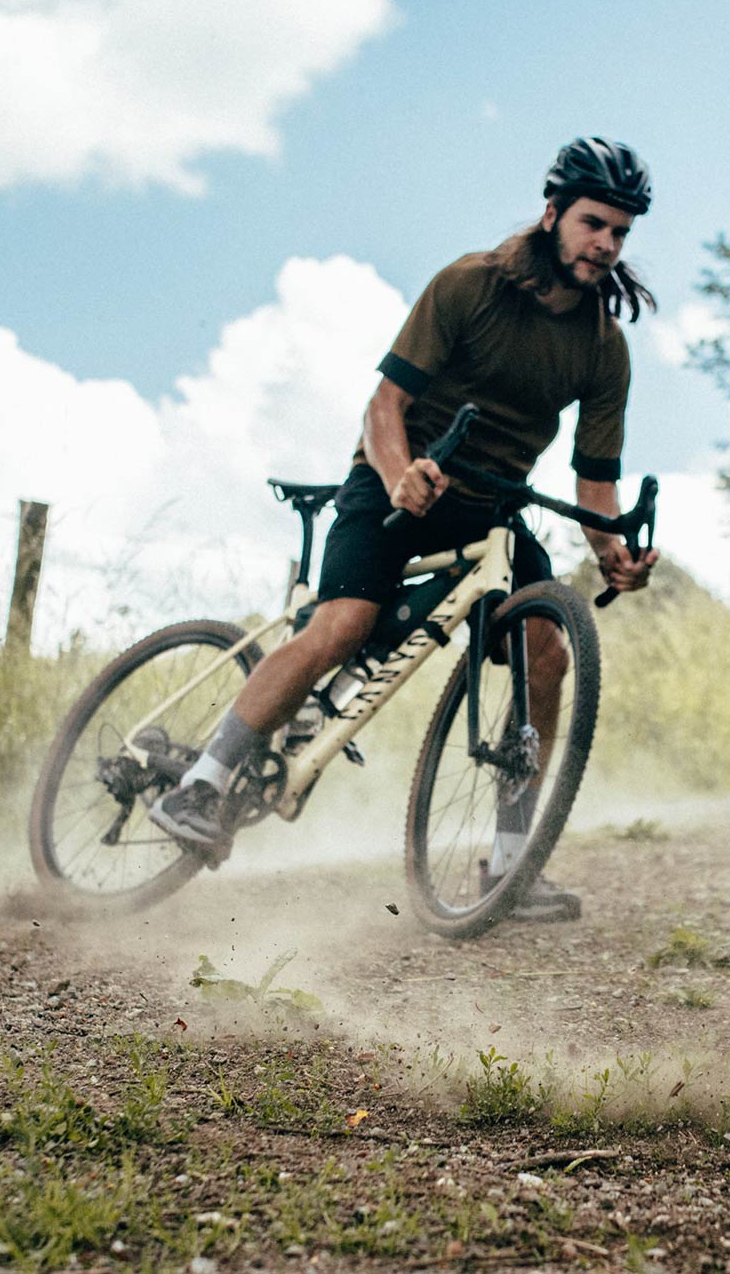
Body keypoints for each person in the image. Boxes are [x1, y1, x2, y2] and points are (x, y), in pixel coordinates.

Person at [149, 137, 664, 921]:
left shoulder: (603, 345)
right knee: (344, 625)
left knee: (547, 651)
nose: (607, 244)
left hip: (491, 504)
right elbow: (382, 407)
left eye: (622, 233)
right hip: (395, 481)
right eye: (596, 223)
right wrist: (399, 475)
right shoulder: (469, 285)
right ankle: (202, 784)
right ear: (553, 212)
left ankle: (509, 862)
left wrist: (612, 553)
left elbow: (595, 478)